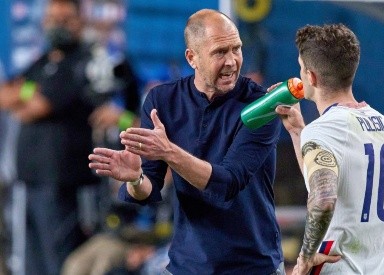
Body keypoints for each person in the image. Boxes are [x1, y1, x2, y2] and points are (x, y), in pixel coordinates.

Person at [88, 9, 284, 275]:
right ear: (192, 57)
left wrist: (169, 152)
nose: (232, 61)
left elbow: (227, 184)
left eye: (236, 49)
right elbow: (148, 190)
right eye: (219, 52)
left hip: (252, 266)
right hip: (188, 265)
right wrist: (134, 178)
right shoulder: (162, 102)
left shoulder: (261, 105)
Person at [275, 23, 384, 274]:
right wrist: (299, 133)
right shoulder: (382, 123)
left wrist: (305, 257)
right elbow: (325, 180)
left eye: (301, 67)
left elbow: (323, 199)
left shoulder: (324, 131)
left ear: (311, 76)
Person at [0, 0, 104, 274]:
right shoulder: (43, 61)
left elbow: (36, 108)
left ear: (80, 21)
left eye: (65, 18)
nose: (57, 24)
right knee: (31, 262)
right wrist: (25, 94)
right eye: (52, 17)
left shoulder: (83, 61)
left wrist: (24, 96)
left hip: (61, 182)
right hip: (30, 179)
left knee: (58, 261)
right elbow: (6, 93)